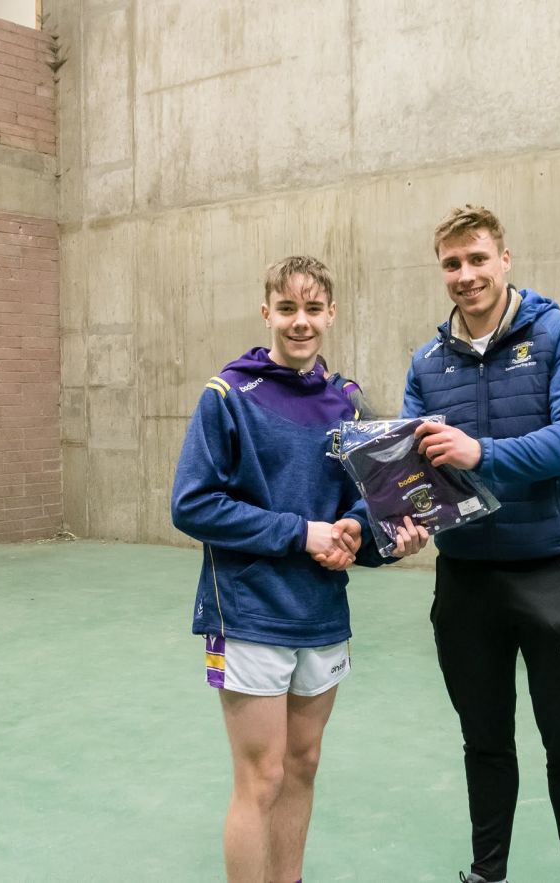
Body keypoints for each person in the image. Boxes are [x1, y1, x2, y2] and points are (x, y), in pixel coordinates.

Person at [171, 256, 426, 883]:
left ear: (331, 315)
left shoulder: (347, 401)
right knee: (262, 776)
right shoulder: (228, 395)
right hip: (250, 609)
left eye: (313, 309)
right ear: (266, 314)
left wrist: (372, 535)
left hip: (321, 611)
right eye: (287, 309)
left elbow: (359, 506)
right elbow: (193, 504)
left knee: (304, 764)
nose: (301, 322)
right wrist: (300, 532)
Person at [402, 204, 560, 883]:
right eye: (452, 264)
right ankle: (488, 871)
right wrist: (399, 520)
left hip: (551, 575)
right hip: (464, 584)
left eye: (478, 258)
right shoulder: (427, 362)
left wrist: (480, 451)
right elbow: (410, 470)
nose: (466, 275)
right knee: (484, 743)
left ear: (505, 258)